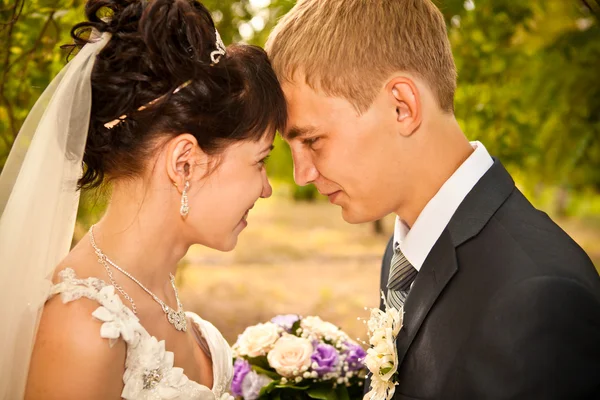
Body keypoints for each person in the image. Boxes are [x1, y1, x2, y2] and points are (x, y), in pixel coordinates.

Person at [265, 0, 600, 398]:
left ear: (402, 107)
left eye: (312, 140)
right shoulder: (403, 251)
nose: (302, 174)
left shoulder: (538, 297)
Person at [0, 0, 286, 398]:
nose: (266, 187)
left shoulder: (153, 285)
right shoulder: (82, 330)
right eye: (260, 160)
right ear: (184, 163)